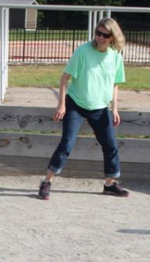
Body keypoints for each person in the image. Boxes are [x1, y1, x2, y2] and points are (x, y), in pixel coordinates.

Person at [37, 17, 129, 200]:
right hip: (76, 104)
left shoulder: (116, 56)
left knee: (111, 145)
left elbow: (115, 84)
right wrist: (62, 104)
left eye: (105, 35)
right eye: (98, 33)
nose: (100, 37)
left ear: (113, 37)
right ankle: (46, 182)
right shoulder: (83, 51)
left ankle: (109, 185)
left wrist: (114, 109)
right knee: (67, 143)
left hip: (100, 107)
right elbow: (64, 79)